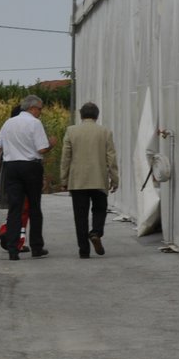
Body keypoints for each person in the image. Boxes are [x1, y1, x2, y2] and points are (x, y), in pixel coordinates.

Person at [0, 93, 54, 260]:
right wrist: (51, 145)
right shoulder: (35, 123)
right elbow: (41, 149)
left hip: (11, 167)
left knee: (15, 208)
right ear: (32, 108)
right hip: (30, 166)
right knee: (34, 207)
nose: (40, 112)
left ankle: (13, 249)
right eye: (39, 109)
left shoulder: (8, 123)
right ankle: (36, 247)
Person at [59, 100, 119, 258]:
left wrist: (64, 179)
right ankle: (96, 232)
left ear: (81, 115)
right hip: (99, 179)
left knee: (80, 216)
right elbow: (111, 157)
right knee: (100, 209)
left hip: (78, 181)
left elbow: (66, 157)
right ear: (97, 116)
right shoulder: (105, 132)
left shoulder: (71, 131)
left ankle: (83, 250)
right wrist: (114, 178)